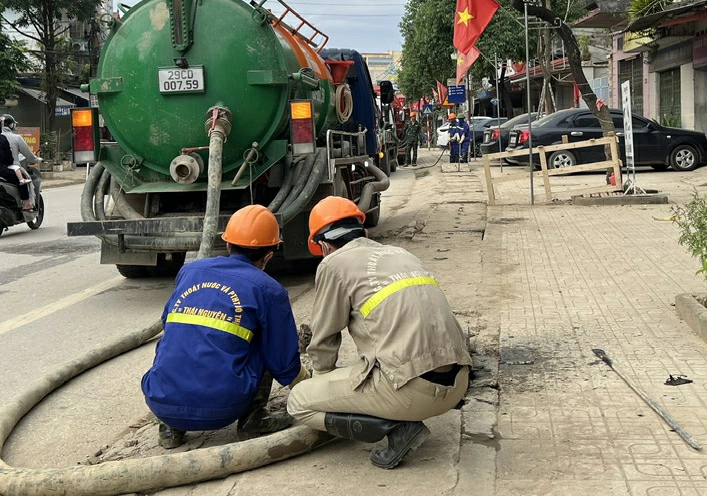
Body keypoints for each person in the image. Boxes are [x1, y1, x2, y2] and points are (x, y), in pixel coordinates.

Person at [287, 197, 471, 469]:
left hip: (414, 393)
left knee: (299, 401)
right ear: (364, 232)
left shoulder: (333, 264)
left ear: (324, 245)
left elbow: (324, 338)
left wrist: (322, 387)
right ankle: (398, 412)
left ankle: (397, 428)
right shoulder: (401, 254)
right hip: (457, 383)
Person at [142, 205, 309, 449]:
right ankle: (254, 419)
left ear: (228, 244)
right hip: (224, 407)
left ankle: (170, 426)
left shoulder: (189, 271)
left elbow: (167, 322)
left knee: (179, 334)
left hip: (159, 400)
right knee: (265, 342)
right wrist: (310, 386)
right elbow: (283, 362)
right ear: (269, 255)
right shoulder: (268, 289)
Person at [1, 114, 40, 208]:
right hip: (12, 167)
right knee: (25, 182)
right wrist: (37, 160)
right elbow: (28, 155)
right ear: (11, 125)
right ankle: (27, 204)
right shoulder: (16, 138)